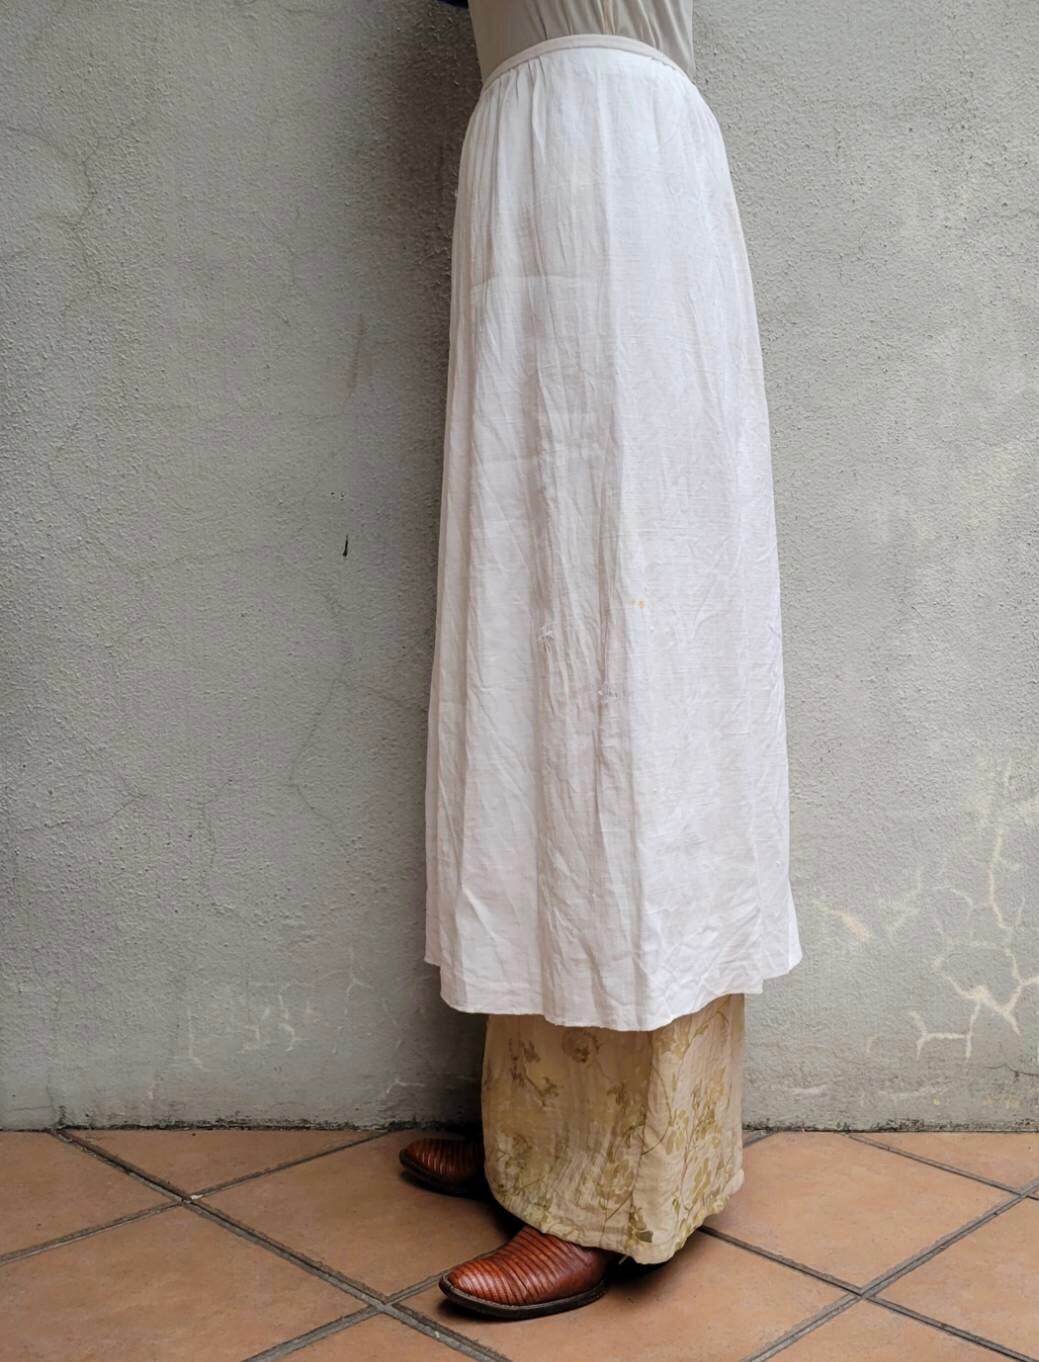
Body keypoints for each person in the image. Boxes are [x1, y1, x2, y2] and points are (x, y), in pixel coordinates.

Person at [404, 0, 801, 1319]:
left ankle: (610, 1179)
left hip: (613, 167)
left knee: (631, 655)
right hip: (527, 169)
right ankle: (537, 1132)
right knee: (534, 651)